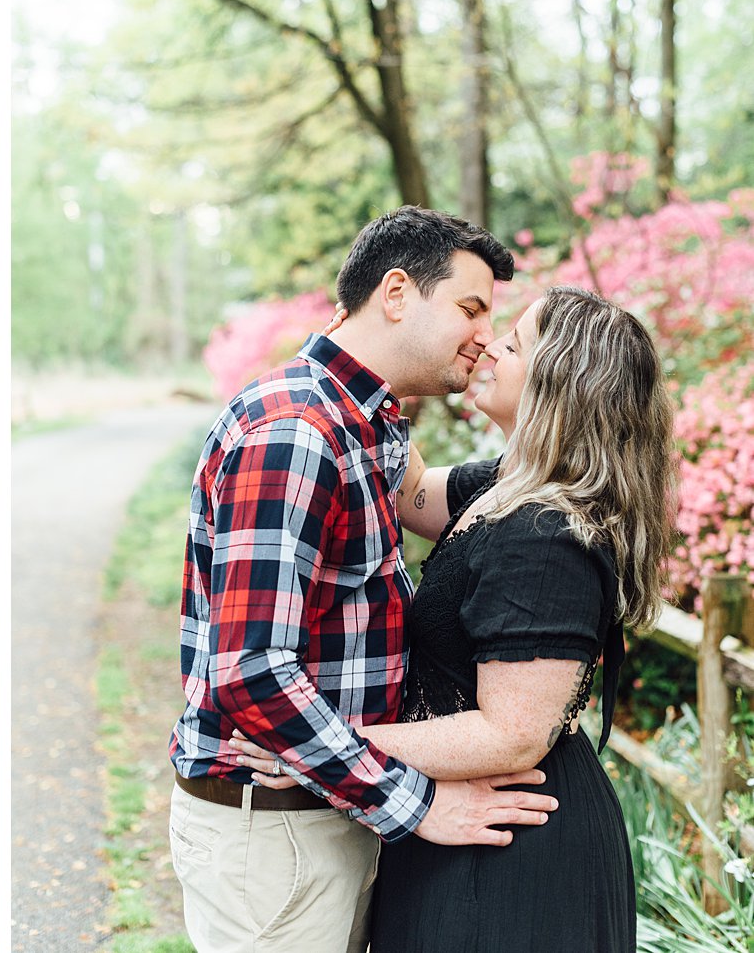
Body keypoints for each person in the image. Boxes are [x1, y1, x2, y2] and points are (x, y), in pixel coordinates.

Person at [168, 207, 561, 953]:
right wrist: (417, 805)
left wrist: (584, 451)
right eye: (470, 308)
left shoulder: (365, 422)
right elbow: (249, 671)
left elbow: (443, 500)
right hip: (276, 834)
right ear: (397, 293)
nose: (484, 335)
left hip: (322, 808)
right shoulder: (297, 431)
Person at [237, 285, 674, 950]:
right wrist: (371, 345)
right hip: (461, 818)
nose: (490, 344)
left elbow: (513, 734)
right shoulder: (506, 485)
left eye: (516, 342)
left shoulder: (546, 535)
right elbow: (409, 493)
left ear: (560, 384)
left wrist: (314, 746)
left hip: (513, 846)